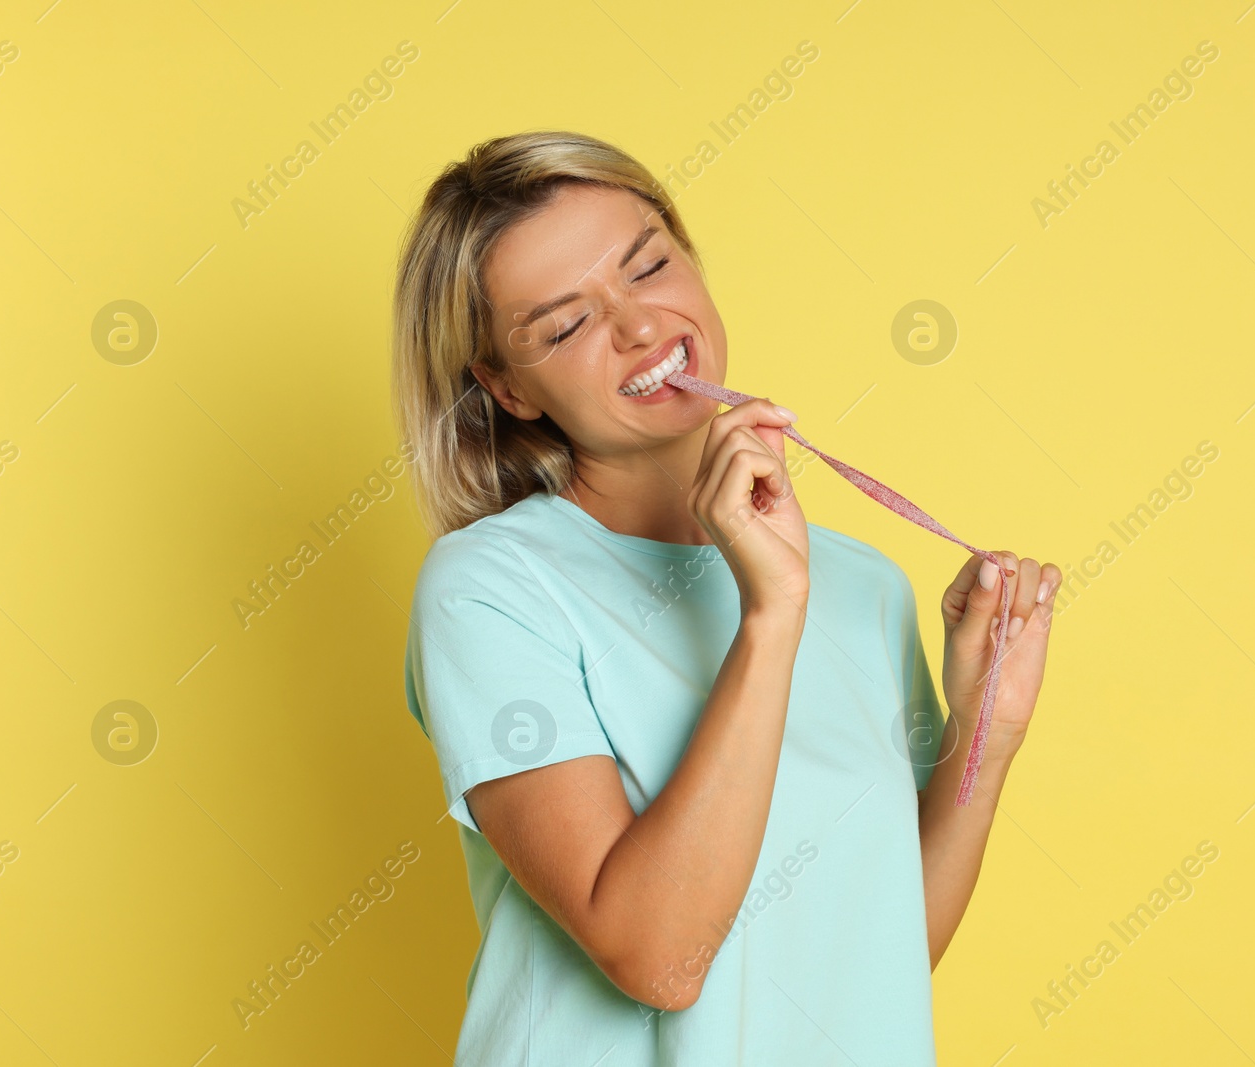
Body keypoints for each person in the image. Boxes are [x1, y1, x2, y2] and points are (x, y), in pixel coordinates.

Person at [392, 129, 1060, 1066]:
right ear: (507, 388)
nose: (637, 326)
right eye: (565, 325)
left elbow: (881, 956)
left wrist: (988, 733)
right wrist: (770, 615)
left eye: (649, 265)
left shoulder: (864, 584)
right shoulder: (490, 590)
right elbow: (658, 959)